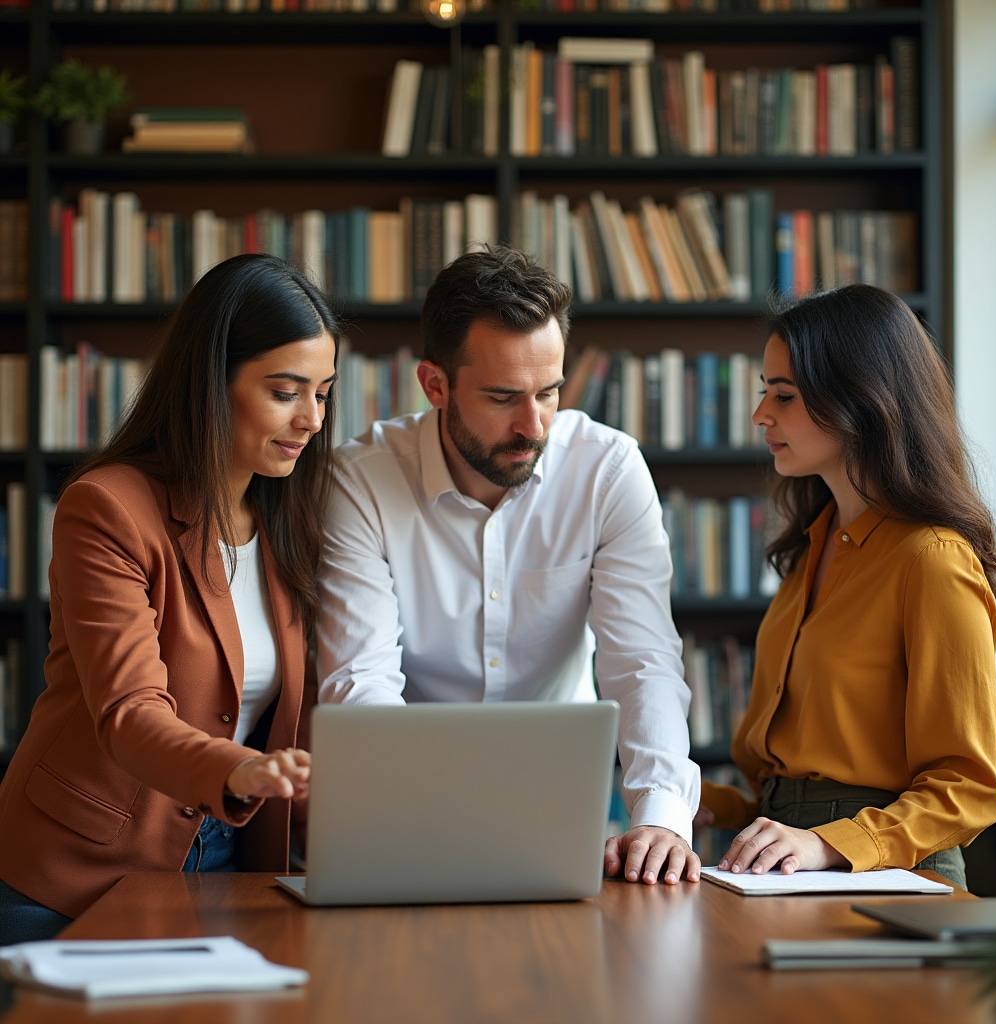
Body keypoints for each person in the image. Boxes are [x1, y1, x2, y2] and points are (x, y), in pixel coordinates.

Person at [317, 245, 702, 887]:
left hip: (565, 803)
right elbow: (362, 680)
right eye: (503, 398)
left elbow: (643, 661)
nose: (533, 426)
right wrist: (403, 817)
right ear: (435, 385)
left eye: (549, 393)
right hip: (409, 806)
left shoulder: (607, 470)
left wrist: (663, 815)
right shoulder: (359, 482)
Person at [0, 253, 341, 944]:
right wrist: (241, 767)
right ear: (211, 384)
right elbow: (129, 711)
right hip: (74, 870)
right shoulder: (107, 508)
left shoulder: (293, 517)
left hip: (226, 859)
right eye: (285, 391)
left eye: (324, 392)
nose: (311, 419)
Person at [698, 284, 996, 890]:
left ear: (860, 400)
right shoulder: (807, 556)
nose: (762, 416)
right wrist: (704, 803)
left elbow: (970, 786)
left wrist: (828, 843)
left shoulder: (931, 560)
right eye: (765, 393)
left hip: (896, 875)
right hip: (790, 865)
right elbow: (794, 787)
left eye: (783, 396)